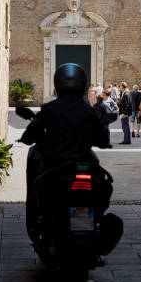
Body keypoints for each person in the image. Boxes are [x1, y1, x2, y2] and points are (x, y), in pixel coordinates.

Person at [19, 64, 110, 232]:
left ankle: (36, 220)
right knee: (102, 180)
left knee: (36, 175)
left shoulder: (49, 109)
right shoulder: (88, 111)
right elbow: (103, 140)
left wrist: (28, 137)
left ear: (57, 84)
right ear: (83, 85)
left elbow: (31, 135)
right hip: (84, 163)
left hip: (55, 165)